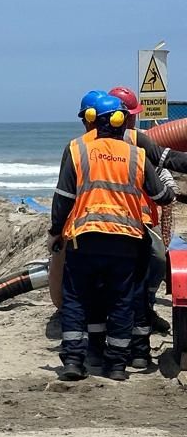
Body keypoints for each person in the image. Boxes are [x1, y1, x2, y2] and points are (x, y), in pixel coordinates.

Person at [50, 93, 175, 382]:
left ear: (91, 120)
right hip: (126, 242)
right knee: (122, 300)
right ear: (122, 121)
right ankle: (118, 365)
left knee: (78, 299)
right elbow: (159, 195)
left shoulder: (78, 150)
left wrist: (55, 232)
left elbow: (63, 197)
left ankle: (75, 361)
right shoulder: (136, 154)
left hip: (85, 239)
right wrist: (169, 190)